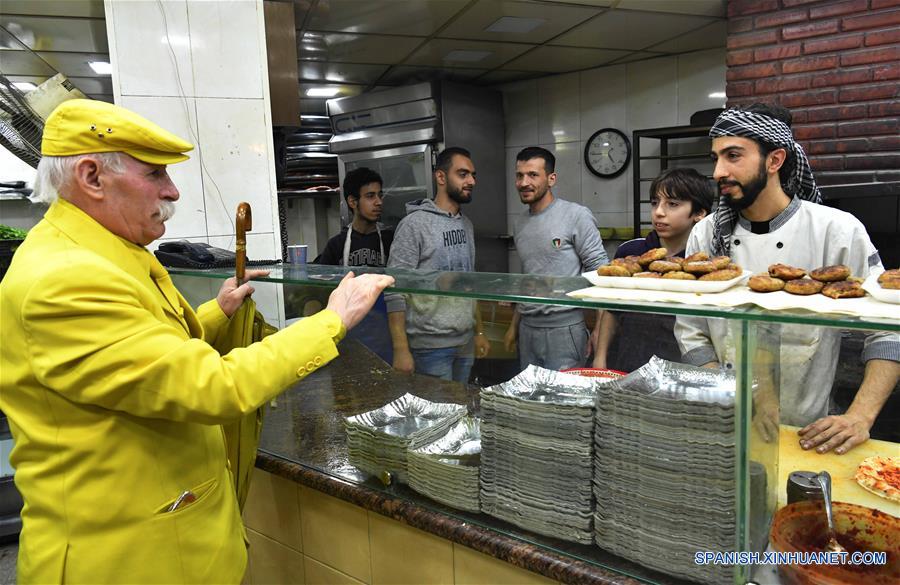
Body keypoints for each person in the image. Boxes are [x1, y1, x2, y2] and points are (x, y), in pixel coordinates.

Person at [0, 99, 394, 583]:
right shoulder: (66, 279)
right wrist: (331, 321)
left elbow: (143, 355)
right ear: (92, 177)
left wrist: (217, 310)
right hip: (125, 562)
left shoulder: (100, 253)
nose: (173, 191)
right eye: (155, 174)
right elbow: (212, 387)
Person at [675, 103, 899, 455]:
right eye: (716, 157)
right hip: (728, 421)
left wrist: (860, 416)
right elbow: (691, 329)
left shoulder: (836, 231)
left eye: (733, 155)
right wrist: (728, 392)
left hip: (810, 429)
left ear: (775, 160)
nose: (718, 171)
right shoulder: (706, 235)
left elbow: (887, 329)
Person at [386, 147, 490, 382]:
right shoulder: (414, 225)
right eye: (462, 174)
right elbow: (395, 290)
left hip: (465, 342)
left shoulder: (467, 225)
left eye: (473, 175)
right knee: (438, 416)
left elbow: (471, 283)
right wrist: (401, 349)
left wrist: (479, 331)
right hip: (429, 348)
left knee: (459, 410)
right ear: (441, 177)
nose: (471, 181)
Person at [594, 168, 714, 372]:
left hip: (679, 366)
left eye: (672, 204)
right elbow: (612, 310)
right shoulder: (630, 252)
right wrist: (600, 358)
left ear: (699, 213)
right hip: (629, 360)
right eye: (654, 203)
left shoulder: (704, 265)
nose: (659, 212)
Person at [504, 147, 609, 371]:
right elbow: (529, 276)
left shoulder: (576, 215)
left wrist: (599, 330)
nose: (524, 182)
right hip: (528, 329)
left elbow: (601, 274)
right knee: (530, 399)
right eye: (519, 175)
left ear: (551, 179)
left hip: (565, 329)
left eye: (533, 175)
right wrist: (514, 326)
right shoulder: (520, 223)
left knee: (564, 402)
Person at [314, 167, 394, 267]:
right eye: (370, 196)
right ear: (352, 201)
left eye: (380, 195)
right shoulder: (337, 244)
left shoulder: (390, 240)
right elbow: (323, 279)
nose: (379, 202)